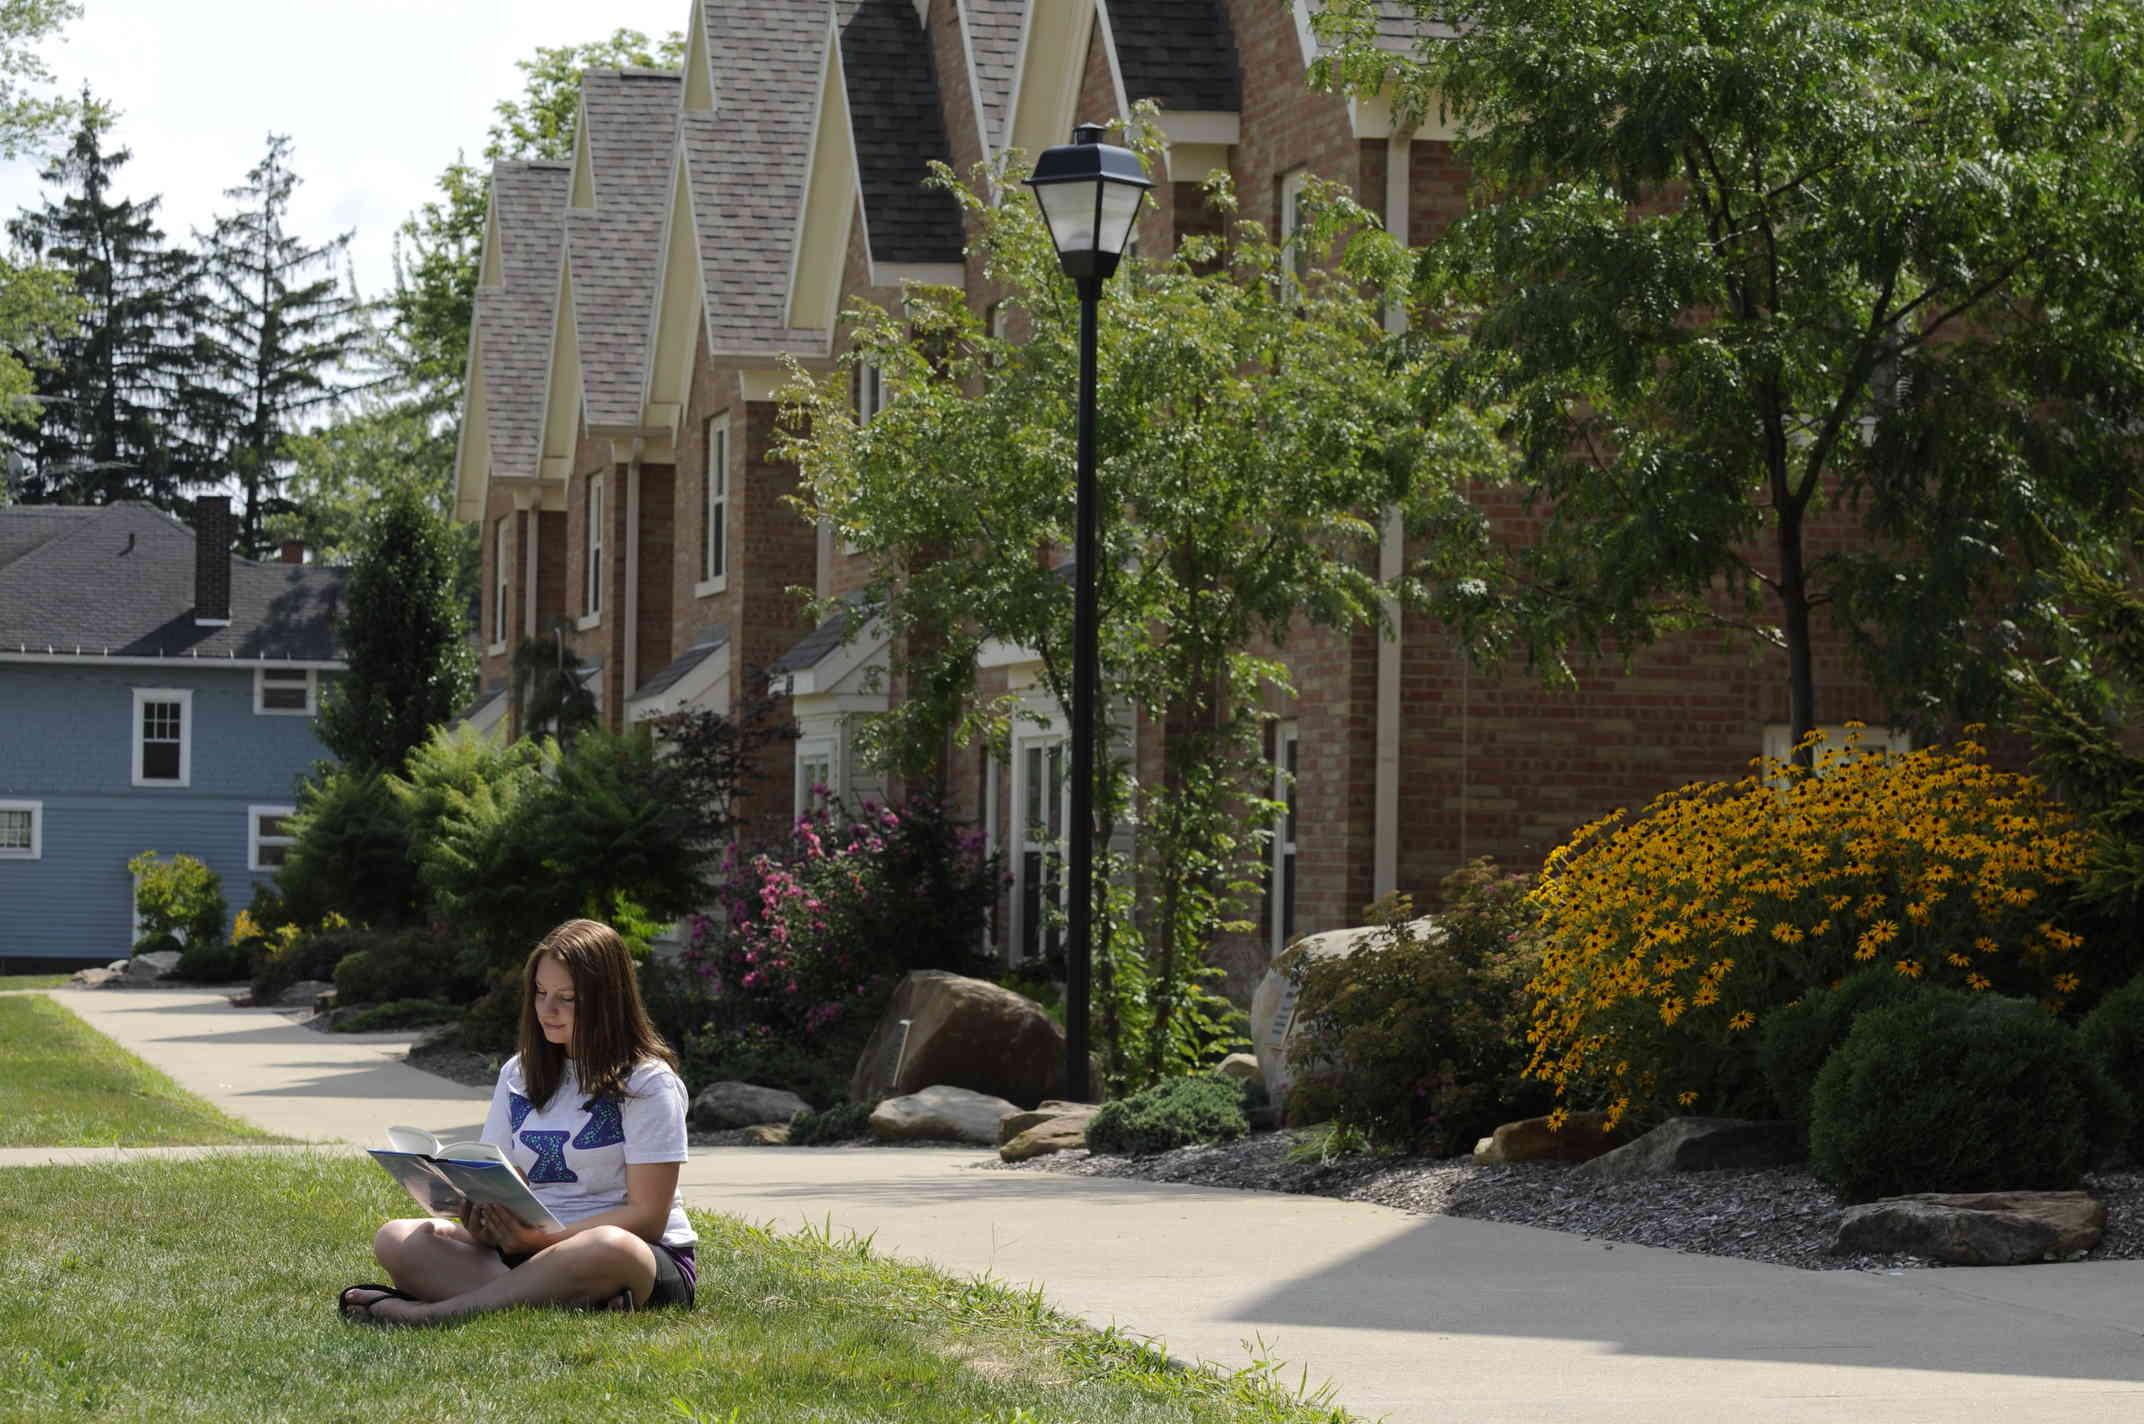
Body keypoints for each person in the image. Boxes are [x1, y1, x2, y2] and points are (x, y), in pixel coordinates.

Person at [339, 919, 697, 1325]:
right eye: (541, 993)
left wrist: (545, 1240)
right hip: (525, 1249)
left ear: (608, 1000)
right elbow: (501, 1176)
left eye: (568, 998)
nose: (548, 1010)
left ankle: (435, 1313)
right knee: (397, 1238)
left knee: (608, 1246)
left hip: (633, 1256)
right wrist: (483, 1221)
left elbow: (648, 1218)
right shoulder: (518, 1073)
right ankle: (572, 1301)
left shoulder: (648, 1082)